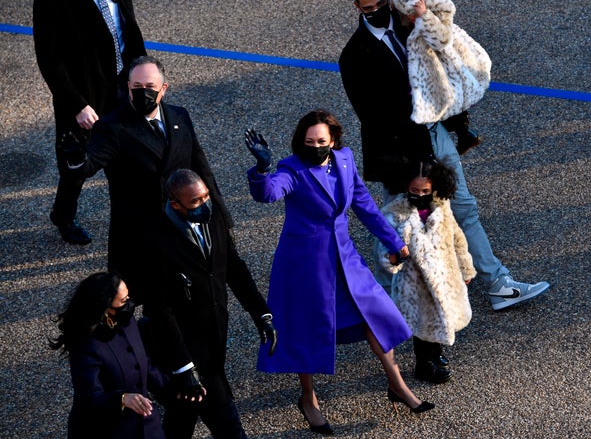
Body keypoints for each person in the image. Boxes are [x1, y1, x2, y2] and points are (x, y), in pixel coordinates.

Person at [339, 0, 550, 311]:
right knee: (404, 223)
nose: (377, 11)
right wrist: (413, 166)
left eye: (381, 4)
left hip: (434, 131)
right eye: (368, 9)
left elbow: (446, 48)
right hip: (402, 149)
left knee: (464, 207)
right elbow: (371, 116)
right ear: (356, 8)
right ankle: (394, 299)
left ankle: (497, 282)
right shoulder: (353, 57)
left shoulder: (410, 20)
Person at [244, 110, 433, 435]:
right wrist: (262, 169)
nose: (315, 146)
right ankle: (308, 398)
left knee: (374, 314)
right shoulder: (293, 168)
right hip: (305, 265)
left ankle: (398, 385)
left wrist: (393, 241)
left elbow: (364, 205)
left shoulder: (344, 160)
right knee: (306, 329)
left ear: (333, 141)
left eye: (321, 141)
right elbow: (269, 193)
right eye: (308, 141)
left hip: (345, 259)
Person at [61, 55, 231, 300]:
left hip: (179, 225)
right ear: (128, 87)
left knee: (186, 294)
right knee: (143, 298)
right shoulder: (112, 127)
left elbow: (201, 168)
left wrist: (221, 215)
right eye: (137, 87)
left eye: (150, 87)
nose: (143, 93)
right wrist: (76, 159)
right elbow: (88, 166)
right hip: (139, 234)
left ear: (164, 88)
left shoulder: (180, 117)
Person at [140, 169, 277, 439]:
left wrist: (262, 314)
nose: (204, 205)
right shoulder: (155, 240)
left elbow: (235, 269)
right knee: (226, 422)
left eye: (206, 197)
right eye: (195, 202)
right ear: (175, 204)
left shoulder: (215, 219)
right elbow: (159, 309)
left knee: (182, 417)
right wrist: (184, 367)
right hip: (185, 350)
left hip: (213, 339)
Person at [33, 0, 146, 245]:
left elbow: (129, 32)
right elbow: (50, 62)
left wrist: (143, 77)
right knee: (76, 166)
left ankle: (129, 217)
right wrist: (77, 105)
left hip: (124, 86)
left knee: (126, 158)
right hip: (85, 98)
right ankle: (64, 216)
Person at [378, 159, 475, 384]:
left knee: (440, 314)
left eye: (425, 191)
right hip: (414, 283)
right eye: (414, 190)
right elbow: (383, 250)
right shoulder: (395, 214)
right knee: (422, 324)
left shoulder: (441, 206)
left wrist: (465, 267)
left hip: (443, 274)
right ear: (405, 186)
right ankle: (423, 364)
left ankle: (436, 353)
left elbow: (457, 237)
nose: (420, 195)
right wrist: (394, 255)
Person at [50, 272, 168, 438]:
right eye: (123, 301)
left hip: (146, 427)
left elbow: (143, 364)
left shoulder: (128, 322)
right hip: (106, 430)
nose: (130, 304)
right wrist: (121, 399)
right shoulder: (86, 344)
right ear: (105, 308)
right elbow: (88, 397)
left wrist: (173, 390)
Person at [390, 0, 490, 155]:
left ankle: (463, 133)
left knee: (450, 97)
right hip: (427, 63)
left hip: (443, 63)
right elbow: (398, 1)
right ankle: (460, 133)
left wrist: (425, 17)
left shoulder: (439, 13)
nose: (411, 18)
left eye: (414, 14)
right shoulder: (404, 1)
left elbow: (441, 39)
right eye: (409, 13)